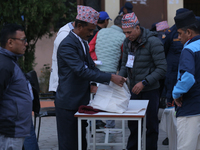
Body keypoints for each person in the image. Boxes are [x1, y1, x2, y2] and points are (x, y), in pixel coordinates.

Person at [55, 5, 126, 150]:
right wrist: (110, 77)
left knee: (81, 143)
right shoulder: (67, 45)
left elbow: (91, 67)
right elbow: (81, 71)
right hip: (68, 103)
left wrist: (103, 81)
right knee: (69, 144)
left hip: (80, 100)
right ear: (79, 26)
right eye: (89, 30)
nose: (92, 33)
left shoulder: (82, 42)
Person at [119, 12, 167, 150]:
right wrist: (121, 78)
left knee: (151, 125)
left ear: (138, 27)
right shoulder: (127, 42)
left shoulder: (153, 42)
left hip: (150, 90)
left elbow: (162, 68)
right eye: (125, 33)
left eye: (129, 32)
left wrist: (144, 82)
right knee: (133, 125)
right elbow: (124, 64)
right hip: (133, 89)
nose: (127, 35)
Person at [89, 15, 126, 129]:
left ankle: (94, 124)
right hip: (111, 73)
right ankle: (110, 126)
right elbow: (123, 55)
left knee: (95, 98)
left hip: (96, 71)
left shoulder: (100, 32)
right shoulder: (123, 37)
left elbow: (90, 48)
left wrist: (96, 60)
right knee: (111, 98)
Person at [0, 24, 32, 150]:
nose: (26, 43)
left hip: (15, 128)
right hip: (9, 130)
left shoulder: (10, 61)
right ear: (10, 42)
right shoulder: (4, 65)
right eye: (23, 40)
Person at [161, 8, 189, 146]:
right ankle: (169, 134)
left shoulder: (190, 32)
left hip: (186, 71)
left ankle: (183, 131)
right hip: (172, 73)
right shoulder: (171, 33)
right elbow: (164, 50)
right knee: (171, 104)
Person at [173, 10, 200, 150]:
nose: (178, 37)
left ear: (188, 32)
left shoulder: (188, 49)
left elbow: (188, 78)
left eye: (179, 33)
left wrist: (176, 94)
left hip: (190, 109)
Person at [48, 22, 74, 93]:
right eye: (89, 30)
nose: (90, 33)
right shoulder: (64, 36)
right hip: (62, 85)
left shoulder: (72, 35)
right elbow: (71, 62)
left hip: (67, 83)